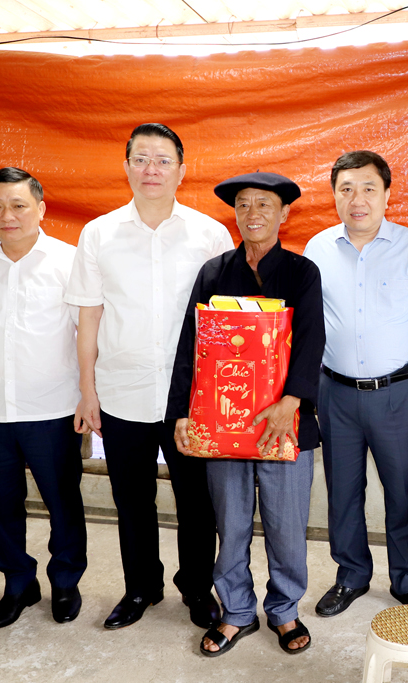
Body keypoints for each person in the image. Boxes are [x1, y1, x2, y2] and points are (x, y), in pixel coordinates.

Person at [65, 123, 234, 630]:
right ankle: (140, 587)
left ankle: (197, 589)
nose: (152, 169)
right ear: (126, 168)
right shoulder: (98, 234)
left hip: (191, 396)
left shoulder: (210, 234)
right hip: (122, 392)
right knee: (131, 497)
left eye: (163, 160)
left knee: (196, 501)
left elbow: (224, 324)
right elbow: (88, 320)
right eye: (141, 158)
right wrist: (87, 392)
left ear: (183, 170)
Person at [167, 172, 324, 656]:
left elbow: (312, 341)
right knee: (231, 523)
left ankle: (284, 610)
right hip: (223, 422)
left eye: (264, 204)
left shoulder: (301, 273)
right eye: (243, 205)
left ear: (283, 214)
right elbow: (191, 347)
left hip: (284, 423)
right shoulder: (213, 273)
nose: (252, 213)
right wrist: (181, 413)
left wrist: (291, 402)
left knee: (285, 522)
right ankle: (236, 611)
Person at [303, 150, 408, 616]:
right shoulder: (318, 248)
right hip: (336, 392)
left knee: (403, 490)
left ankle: (406, 580)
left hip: (398, 394)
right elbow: (309, 327)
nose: (356, 199)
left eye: (367, 188)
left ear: (387, 193)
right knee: (342, 491)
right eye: (345, 189)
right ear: (334, 196)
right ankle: (351, 576)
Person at [0, 168, 88, 629]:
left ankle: (66, 580)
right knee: (2, 504)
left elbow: (87, 337)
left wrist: (88, 398)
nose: (6, 215)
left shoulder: (70, 261)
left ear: (41, 209)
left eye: (17, 205)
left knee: (62, 502)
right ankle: (18, 584)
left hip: (52, 409)